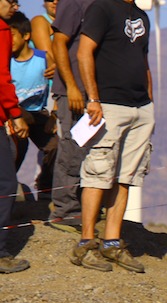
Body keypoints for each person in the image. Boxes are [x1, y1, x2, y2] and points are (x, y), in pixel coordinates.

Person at [71, 0, 154, 273]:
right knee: (98, 173)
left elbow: (144, 63)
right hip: (108, 104)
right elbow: (84, 52)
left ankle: (112, 242)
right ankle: (86, 243)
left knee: (125, 177)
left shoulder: (141, 16)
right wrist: (93, 98)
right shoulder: (102, 8)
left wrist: (150, 104)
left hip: (140, 108)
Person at [45, 0, 92, 234]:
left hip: (96, 92)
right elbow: (59, 42)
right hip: (73, 91)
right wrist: (72, 86)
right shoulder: (74, 3)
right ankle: (64, 210)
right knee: (71, 149)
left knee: (91, 153)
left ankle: (86, 206)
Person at [8, 11, 58, 201]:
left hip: (38, 114)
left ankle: (45, 188)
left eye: (12, 35)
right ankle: (8, 189)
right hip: (14, 115)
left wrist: (54, 116)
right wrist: (19, 114)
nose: (8, 40)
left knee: (55, 147)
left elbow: (59, 87)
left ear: (26, 35)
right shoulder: (6, 62)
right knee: (14, 151)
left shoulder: (43, 59)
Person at [0, 0, 30, 274]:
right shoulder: (1, 30)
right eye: (10, 1)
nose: (16, 6)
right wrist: (14, 113)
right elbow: (2, 77)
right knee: (6, 183)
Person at [30, 0, 57, 85]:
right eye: (50, 0)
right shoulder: (39, 21)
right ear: (44, 3)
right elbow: (50, 60)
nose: (55, 2)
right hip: (50, 84)